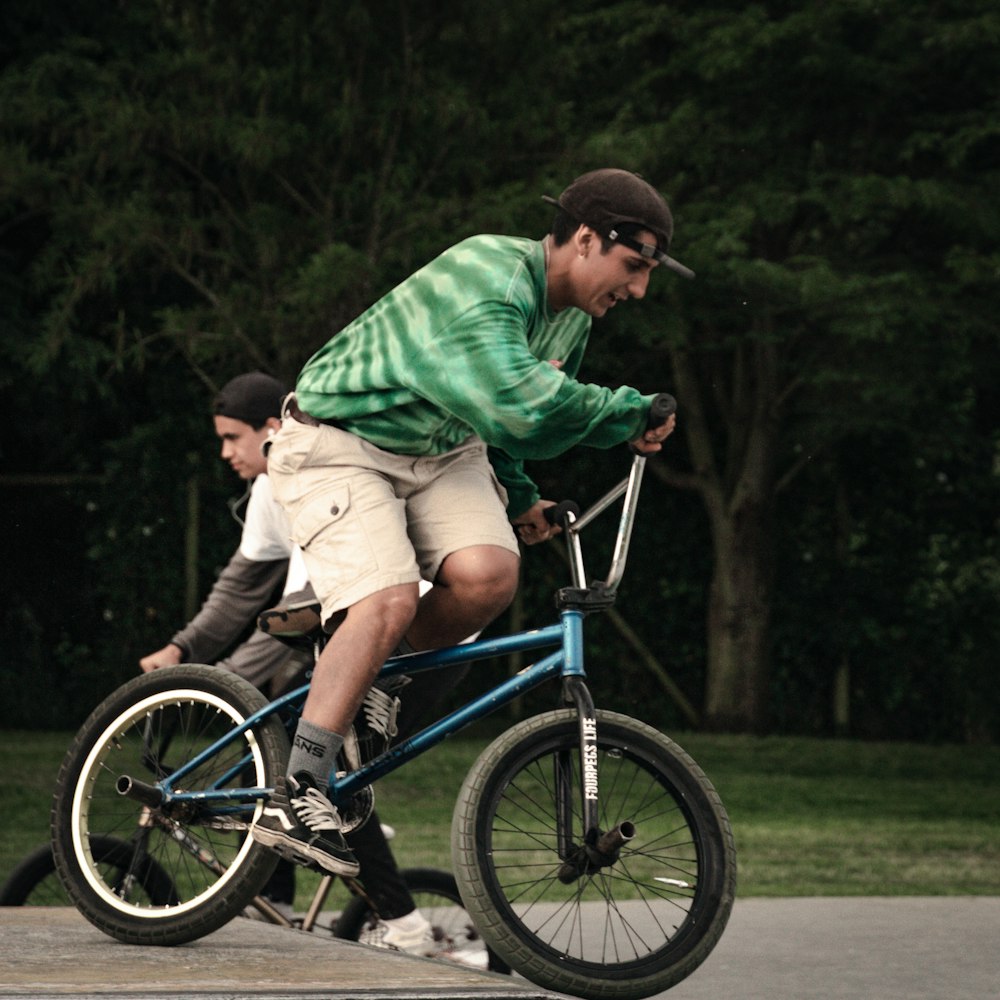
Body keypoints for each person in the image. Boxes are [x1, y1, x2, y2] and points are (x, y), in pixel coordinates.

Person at [251, 168, 686, 877]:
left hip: (438, 447)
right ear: (583, 239)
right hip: (337, 441)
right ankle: (293, 788)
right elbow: (522, 401)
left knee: (489, 577)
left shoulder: (570, 314)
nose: (638, 290)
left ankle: (368, 683)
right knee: (386, 599)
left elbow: (504, 425)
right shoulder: (485, 277)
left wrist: (517, 497)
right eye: (632, 266)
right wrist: (627, 413)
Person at [141, 372, 455, 951]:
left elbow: (302, 610)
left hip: (406, 640)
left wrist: (219, 683)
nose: (225, 452)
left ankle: (407, 928)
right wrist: (182, 651)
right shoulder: (269, 490)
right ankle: (276, 900)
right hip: (337, 638)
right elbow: (242, 592)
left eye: (232, 437)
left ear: (271, 429)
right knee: (265, 764)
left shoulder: (320, 469)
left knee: (319, 773)